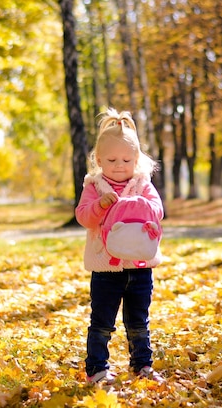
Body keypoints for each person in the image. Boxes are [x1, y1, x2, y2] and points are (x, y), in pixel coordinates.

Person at [75, 108, 165, 385]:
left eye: (126, 159)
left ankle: (142, 365)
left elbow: (157, 211)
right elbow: (83, 216)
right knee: (102, 321)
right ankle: (97, 368)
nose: (118, 165)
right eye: (111, 159)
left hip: (139, 265)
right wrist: (100, 205)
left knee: (139, 320)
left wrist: (137, 206)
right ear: (99, 159)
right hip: (106, 268)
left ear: (136, 159)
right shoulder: (95, 186)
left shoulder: (143, 184)